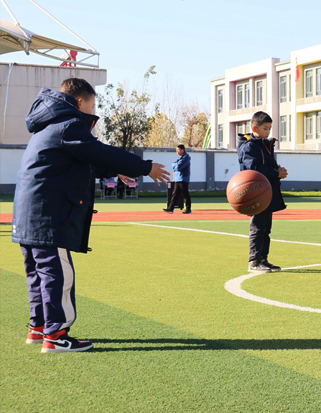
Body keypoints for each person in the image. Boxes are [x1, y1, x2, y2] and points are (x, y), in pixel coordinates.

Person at [12, 78, 170, 352]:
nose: (92, 110)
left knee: (37, 274)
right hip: (49, 216)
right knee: (57, 273)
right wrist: (145, 167)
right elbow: (99, 151)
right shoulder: (69, 124)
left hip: (28, 215)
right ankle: (56, 337)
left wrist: (112, 171)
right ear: (79, 102)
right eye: (92, 104)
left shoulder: (47, 124)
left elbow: (75, 163)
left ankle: (39, 329)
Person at [237, 111, 288, 273]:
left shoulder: (266, 144)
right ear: (255, 128)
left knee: (266, 228)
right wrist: (275, 173)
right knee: (257, 228)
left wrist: (278, 170)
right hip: (255, 193)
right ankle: (253, 261)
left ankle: (263, 259)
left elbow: (268, 167)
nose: (268, 132)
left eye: (270, 128)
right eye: (265, 128)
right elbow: (254, 169)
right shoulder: (249, 146)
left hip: (268, 192)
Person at [164, 144, 192, 214]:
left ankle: (188, 210)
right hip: (178, 179)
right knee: (175, 194)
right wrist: (175, 165)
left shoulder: (186, 158)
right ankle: (170, 209)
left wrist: (175, 165)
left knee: (185, 194)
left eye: (178, 150)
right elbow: (173, 164)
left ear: (182, 150)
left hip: (183, 179)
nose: (177, 151)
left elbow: (178, 167)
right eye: (176, 150)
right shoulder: (179, 158)